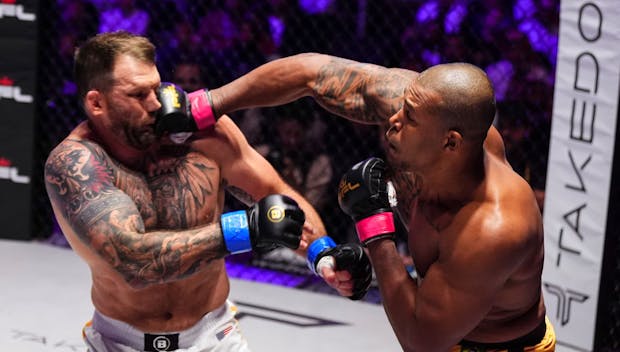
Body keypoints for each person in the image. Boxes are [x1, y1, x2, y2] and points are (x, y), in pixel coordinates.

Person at [181, 53, 557, 351]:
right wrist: (207, 105)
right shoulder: (430, 111)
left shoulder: (492, 227)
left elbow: (420, 339)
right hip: (438, 319)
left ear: (451, 143)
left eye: (408, 117)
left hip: (497, 347)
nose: (393, 119)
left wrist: (375, 229)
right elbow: (311, 73)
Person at [44, 33, 371, 352]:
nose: (156, 103)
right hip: (120, 341)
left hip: (213, 337)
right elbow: (133, 261)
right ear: (97, 103)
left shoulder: (199, 135)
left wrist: (322, 255)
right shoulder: (77, 164)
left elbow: (273, 192)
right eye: (138, 95)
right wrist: (245, 230)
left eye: (155, 87)